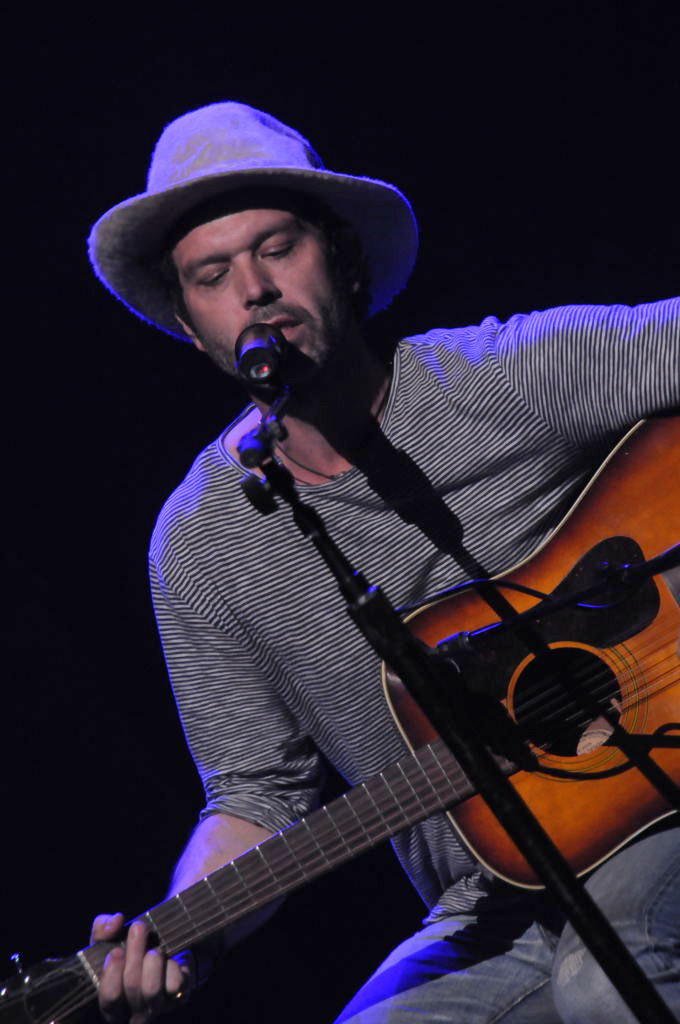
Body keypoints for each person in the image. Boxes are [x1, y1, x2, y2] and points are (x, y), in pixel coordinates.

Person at [87, 101, 680, 1023]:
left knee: (602, 987)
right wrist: (186, 936)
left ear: (343, 260)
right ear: (189, 321)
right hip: (498, 896)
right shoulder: (200, 542)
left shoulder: (498, 377)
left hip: (663, 799)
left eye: (278, 248)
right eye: (214, 274)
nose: (255, 290)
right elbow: (254, 793)